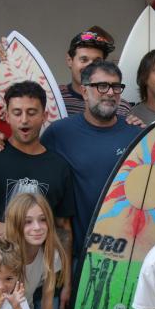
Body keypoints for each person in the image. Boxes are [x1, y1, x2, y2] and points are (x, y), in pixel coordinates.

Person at [0, 79, 76, 280]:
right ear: (6, 116)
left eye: (31, 112)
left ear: (44, 116)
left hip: (42, 278)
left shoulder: (59, 167)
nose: (24, 120)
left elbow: (63, 227)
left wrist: (65, 278)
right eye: (17, 112)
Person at [41, 61, 142, 262]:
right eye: (102, 86)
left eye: (116, 86)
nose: (110, 92)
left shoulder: (137, 135)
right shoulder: (59, 133)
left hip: (127, 257)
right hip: (76, 255)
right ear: (84, 91)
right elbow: (32, 162)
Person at [0, 192, 71, 309]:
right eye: (28, 222)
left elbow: (47, 301)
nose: (37, 227)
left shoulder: (51, 254)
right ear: (16, 224)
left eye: (42, 220)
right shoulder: (1, 253)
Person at [60, 27, 126, 119]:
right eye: (84, 59)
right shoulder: (54, 97)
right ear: (69, 60)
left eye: (97, 61)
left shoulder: (121, 106)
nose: (90, 66)